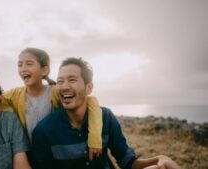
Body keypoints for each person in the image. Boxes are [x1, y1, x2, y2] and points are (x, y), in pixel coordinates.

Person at [31, 57, 181, 169]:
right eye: (60, 81)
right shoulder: (44, 131)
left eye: (72, 80)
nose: (64, 87)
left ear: (89, 88)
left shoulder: (105, 117)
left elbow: (127, 162)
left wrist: (159, 160)